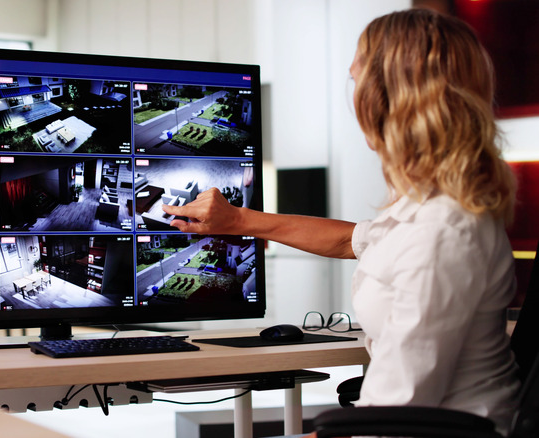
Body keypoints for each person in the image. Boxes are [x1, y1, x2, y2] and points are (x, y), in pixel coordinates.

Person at [163, 8, 520, 437]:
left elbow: (396, 404)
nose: (353, 97)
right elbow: (351, 240)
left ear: (389, 98)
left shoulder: (440, 232)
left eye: (356, 80)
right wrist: (238, 219)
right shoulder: (430, 209)